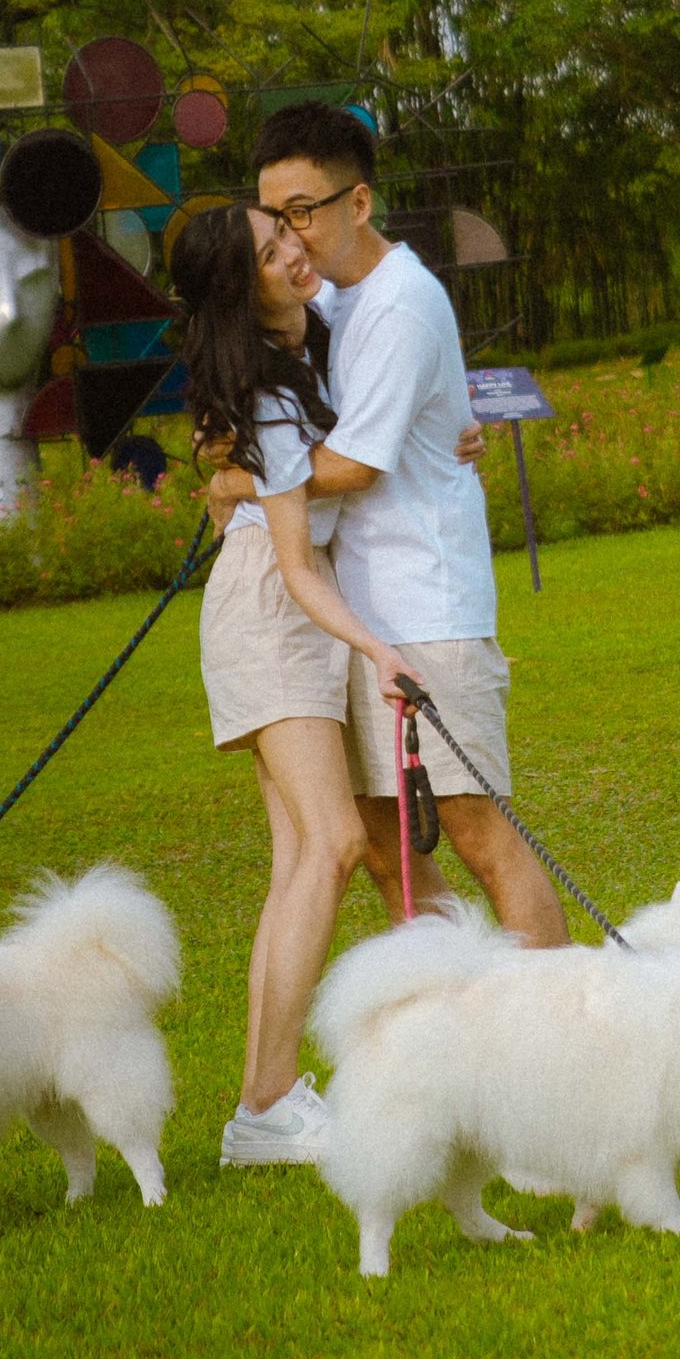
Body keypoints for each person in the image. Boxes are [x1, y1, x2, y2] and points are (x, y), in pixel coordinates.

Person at [238, 101, 565, 949]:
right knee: (391, 854)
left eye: (304, 211)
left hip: (429, 611)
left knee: (478, 835)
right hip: (359, 618)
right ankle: (452, 1023)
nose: (291, 235)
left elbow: (352, 465)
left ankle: (571, 1025)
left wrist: (241, 477)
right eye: (276, 217)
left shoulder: (399, 303)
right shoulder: (336, 305)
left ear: (359, 203)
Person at [168, 199, 408, 1168]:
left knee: (297, 862)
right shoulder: (263, 391)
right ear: (240, 287)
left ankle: (261, 1106)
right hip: (272, 612)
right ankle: (266, 1104)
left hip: (292, 613)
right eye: (269, 255)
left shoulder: (316, 342)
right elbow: (298, 567)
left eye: (287, 236)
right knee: (335, 842)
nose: (293, 257)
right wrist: (379, 650)